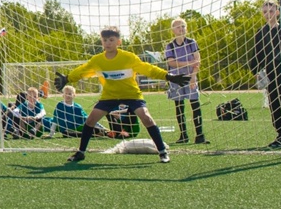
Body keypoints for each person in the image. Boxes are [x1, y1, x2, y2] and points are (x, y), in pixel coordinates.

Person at [56, 26, 190, 164]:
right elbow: (82, 71)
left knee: (146, 118)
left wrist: (168, 76)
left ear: (118, 42)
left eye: (111, 40)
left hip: (131, 95)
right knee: (90, 121)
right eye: (105, 40)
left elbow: (148, 69)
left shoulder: (128, 58)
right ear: (102, 42)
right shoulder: (97, 60)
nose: (108, 43)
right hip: (109, 96)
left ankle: (162, 152)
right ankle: (81, 152)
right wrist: (67, 78)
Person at [249, 0, 281, 148]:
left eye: (270, 11)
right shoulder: (261, 32)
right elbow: (256, 53)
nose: (267, 14)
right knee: (274, 104)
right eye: (264, 12)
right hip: (270, 74)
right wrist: (256, 71)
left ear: (277, 12)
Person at [164, 17, 207, 144]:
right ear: (173, 30)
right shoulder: (170, 46)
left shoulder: (191, 42)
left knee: (195, 105)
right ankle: (183, 135)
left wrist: (193, 76)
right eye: (178, 27)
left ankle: (200, 135)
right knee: (179, 106)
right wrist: (188, 63)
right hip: (176, 79)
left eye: (183, 26)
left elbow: (197, 61)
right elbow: (171, 62)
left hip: (190, 77)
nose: (181, 29)